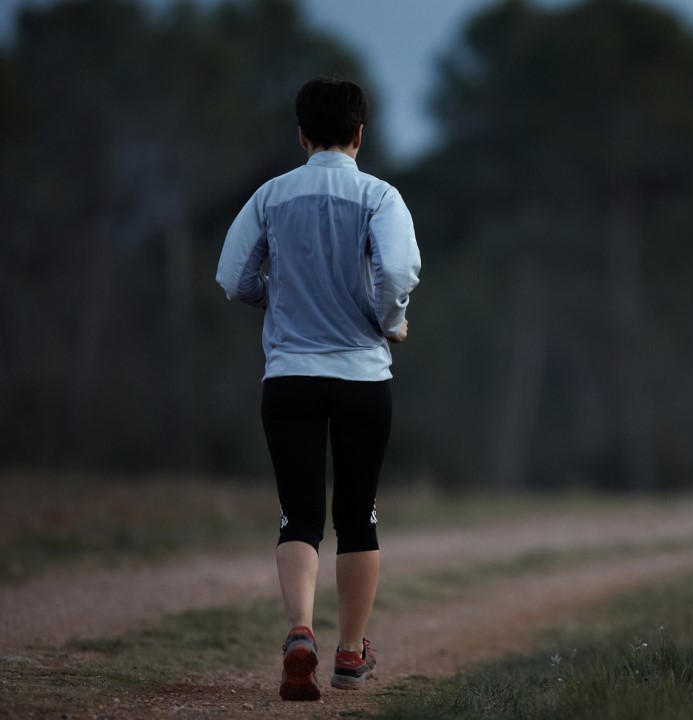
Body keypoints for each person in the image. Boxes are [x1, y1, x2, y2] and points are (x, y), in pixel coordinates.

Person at [216, 76, 421, 702]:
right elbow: (398, 270)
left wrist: (270, 299)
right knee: (357, 518)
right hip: (361, 377)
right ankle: (350, 655)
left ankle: (298, 632)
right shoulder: (380, 197)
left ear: (302, 135)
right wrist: (391, 322)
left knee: (298, 516)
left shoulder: (271, 196)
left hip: (289, 379)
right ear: (361, 134)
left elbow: (232, 276)